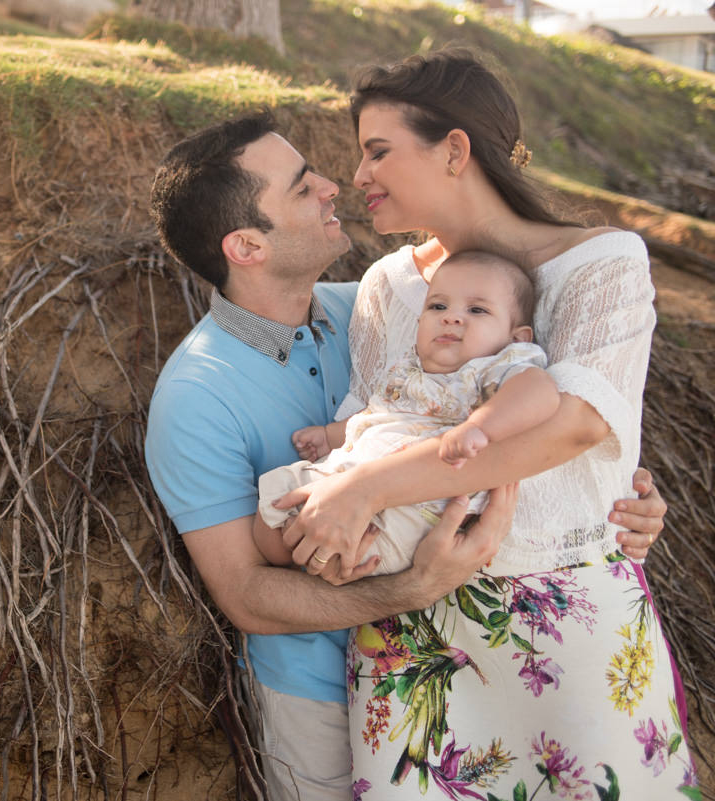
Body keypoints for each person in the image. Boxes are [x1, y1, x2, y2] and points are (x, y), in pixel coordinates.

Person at [144, 109, 667, 801]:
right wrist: (414, 586)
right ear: (246, 245)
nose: (333, 184)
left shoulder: (386, 312)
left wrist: (621, 497)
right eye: (302, 187)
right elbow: (246, 594)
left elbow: (507, 408)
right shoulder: (193, 399)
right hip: (318, 691)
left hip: (457, 658)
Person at [265, 49, 696, 798]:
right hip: (410, 613)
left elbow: (574, 427)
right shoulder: (389, 285)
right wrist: (355, 484)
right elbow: (374, 418)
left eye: (378, 151)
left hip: (562, 616)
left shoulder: (601, 263)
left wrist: (367, 488)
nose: (358, 175)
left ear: (455, 149)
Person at [254, 251, 560, 575]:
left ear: (517, 338)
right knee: (271, 514)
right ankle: (308, 558)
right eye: (438, 306)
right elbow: (377, 417)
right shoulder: (408, 366)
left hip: (415, 504)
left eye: (477, 309)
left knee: (343, 545)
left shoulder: (494, 367)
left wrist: (481, 427)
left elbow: (540, 392)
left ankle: (335, 561)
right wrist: (330, 436)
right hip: (345, 475)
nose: (451, 317)